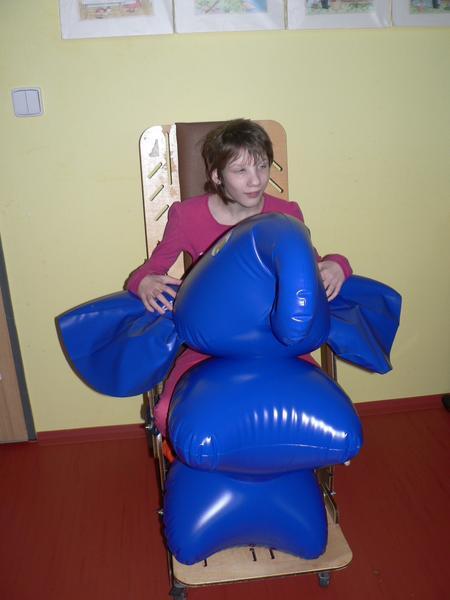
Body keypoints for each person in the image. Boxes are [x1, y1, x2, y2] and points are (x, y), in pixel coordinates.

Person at [126, 119, 352, 436]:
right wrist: (143, 282)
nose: (255, 180)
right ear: (217, 176)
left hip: (277, 341)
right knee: (167, 414)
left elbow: (315, 265)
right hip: (211, 344)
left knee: (323, 407)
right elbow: (151, 269)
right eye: (240, 170)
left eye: (262, 166)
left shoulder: (285, 213)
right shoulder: (187, 215)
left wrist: (339, 265)